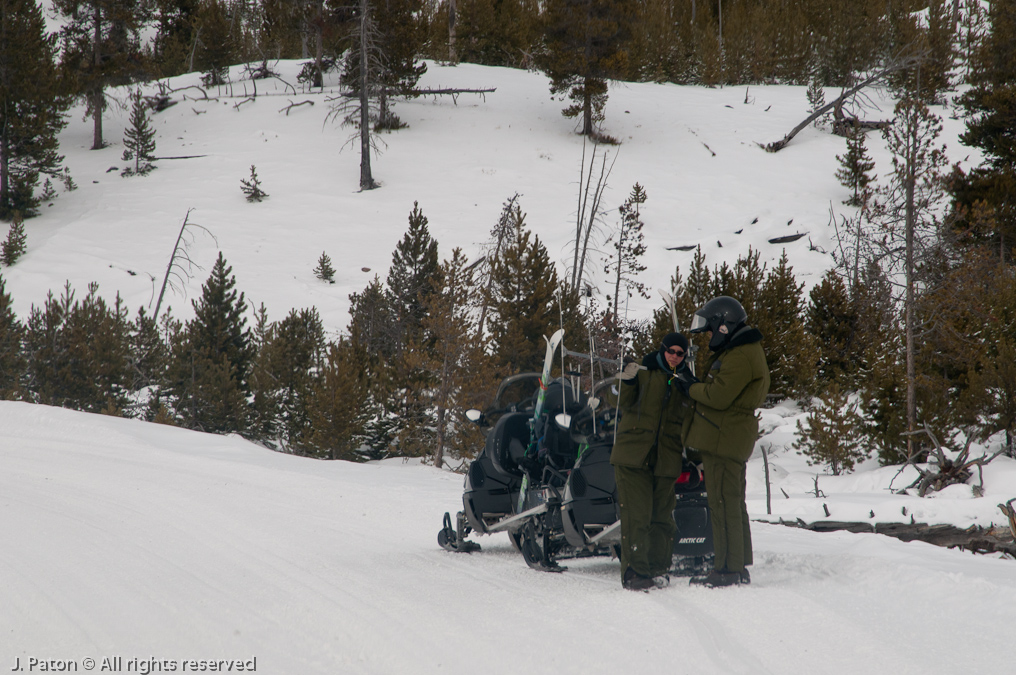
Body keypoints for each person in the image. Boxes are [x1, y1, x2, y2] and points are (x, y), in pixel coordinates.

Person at [673, 296, 770, 588]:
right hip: (727, 436)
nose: (709, 337)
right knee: (731, 502)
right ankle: (736, 565)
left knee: (722, 502)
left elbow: (719, 396)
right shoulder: (742, 350)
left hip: (724, 439)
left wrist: (691, 388)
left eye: (710, 330)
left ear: (723, 326)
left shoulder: (740, 355)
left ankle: (726, 569)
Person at [610, 332, 694, 591]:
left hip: (666, 461)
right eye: (671, 351)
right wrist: (625, 380)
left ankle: (658, 569)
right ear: (663, 349)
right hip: (634, 456)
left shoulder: (687, 383)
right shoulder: (643, 373)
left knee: (662, 517)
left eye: (680, 353)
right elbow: (618, 401)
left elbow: (691, 422)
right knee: (638, 514)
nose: (674, 357)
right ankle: (636, 572)